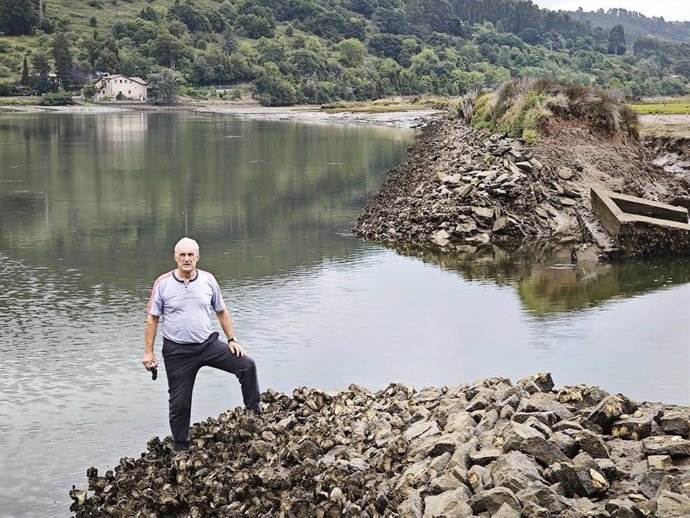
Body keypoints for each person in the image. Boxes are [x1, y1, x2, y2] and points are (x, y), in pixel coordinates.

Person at [142, 237, 261, 451]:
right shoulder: (163, 283)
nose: (186, 259)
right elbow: (152, 319)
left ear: (197, 257)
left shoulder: (208, 280)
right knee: (180, 404)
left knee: (247, 365)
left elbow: (221, 311)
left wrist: (232, 339)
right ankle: (180, 446)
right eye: (182, 255)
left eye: (191, 255)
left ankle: (255, 413)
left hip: (208, 345)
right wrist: (148, 353)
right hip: (178, 353)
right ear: (175, 257)